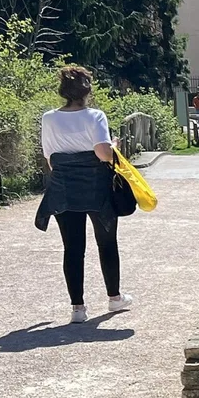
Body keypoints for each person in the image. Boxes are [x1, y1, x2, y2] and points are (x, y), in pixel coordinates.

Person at [35, 66, 133, 324]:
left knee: (72, 247)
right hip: (96, 186)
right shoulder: (95, 116)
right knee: (107, 242)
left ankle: (77, 308)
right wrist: (113, 147)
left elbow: (50, 158)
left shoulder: (48, 118)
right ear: (87, 90)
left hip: (63, 185)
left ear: (63, 91)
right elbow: (102, 153)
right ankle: (114, 297)